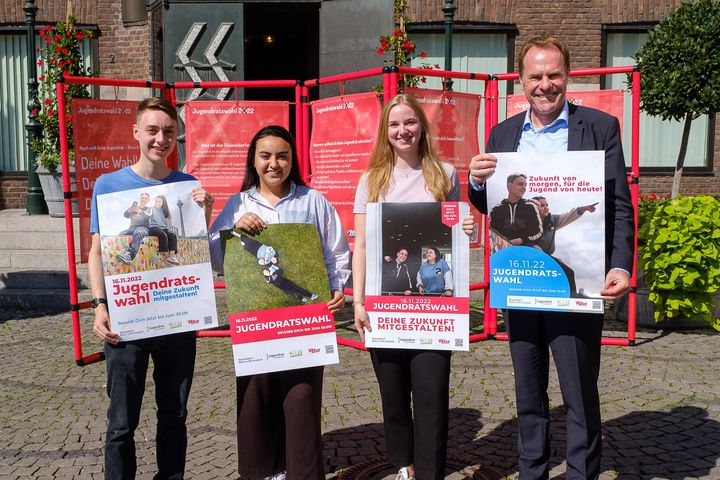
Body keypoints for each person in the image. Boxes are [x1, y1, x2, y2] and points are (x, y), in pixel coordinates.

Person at [468, 36, 634, 479]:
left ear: (567, 76)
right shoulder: (502, 134)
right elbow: (487, 207)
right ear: (520, 82)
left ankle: (581, 472)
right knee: (527, 387)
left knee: (579, 389)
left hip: (575, 281)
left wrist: (619, 265)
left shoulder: (599, 126)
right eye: (536, 76)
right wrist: (477, 182)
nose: (545, 85)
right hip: (521, 283)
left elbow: (618, 203)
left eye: (553, 75)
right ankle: (533, 471)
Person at [208, 125, 350, 480]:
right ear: (253, 161)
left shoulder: (312, 200)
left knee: (302, 398)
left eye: (282, 156)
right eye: (266, 156)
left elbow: (336, 250)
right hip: (255, 320)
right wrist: (232, 231)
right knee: (257, 397)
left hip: (304, 321)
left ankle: (303, 473)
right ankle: (263, 472)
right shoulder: (237, 204)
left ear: (292, 160)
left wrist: (338, 287)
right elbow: (213, 258)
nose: (274, 164)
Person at [89, 97, 214, 480]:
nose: (161, 139)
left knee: (174, 416)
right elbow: (95, 252)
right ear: (136, 133)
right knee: (121, 424)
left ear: (177, 137)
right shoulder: (109, 186)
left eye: (169, 132)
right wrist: (98, 305)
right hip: (127, 323)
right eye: (153, 130)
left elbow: (198, 246)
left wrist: (204, 212)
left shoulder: (186, 187)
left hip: (176, 323)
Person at [353, 93, 474, 480]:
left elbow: (453, 235)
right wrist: (357, 302)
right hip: (383, 307)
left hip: (434, 313)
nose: (402, 131)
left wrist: (466, 229)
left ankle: (429, 472)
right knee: (393, 396)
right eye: (394, 124)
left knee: (432, 395)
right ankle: (403, 463)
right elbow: (363, 247)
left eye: (409, 122)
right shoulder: (371, 180)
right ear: (384, 131)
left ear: (422, 126)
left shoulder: (445, 174)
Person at [530, 196, 599, 295]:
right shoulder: (527, 221)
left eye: (547, 205)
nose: (546, 208)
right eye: (542, 205)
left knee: (569, 273)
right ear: (534, 208)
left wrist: (582, 209)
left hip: (546, 257)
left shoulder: (553, 220)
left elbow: (568, 216)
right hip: (529, 259)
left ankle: (572, 301)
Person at [236, 232, 319, 304]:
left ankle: (310, 296)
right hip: (259, 246)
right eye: (275, 259)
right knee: (248, 241)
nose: (274, 260)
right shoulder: (273, 253)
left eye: (265, 271)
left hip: (257, 253)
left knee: (247, 247)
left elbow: (262, 263)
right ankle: (240, 236)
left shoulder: (269, 266)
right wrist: (269, 261)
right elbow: (269, 249)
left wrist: (270, 268)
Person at [489, 173, 543, 246]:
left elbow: (538, 233)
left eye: (525, 185)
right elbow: (490, 232)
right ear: (510, 186)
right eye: (520, 184)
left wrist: (522, 240)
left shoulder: (531, 207)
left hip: (527, 247)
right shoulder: (496, 210)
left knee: (539, 253)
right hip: (501, 248)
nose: (524, 187)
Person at [116, 192, 153, 264]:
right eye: (142, 198)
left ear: (148, 200)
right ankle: (122, 254)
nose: (143, 199)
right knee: (121, 233)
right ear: (140, 198)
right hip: (132, 228)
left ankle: (129, 256)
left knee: (139, 232)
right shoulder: (135, 207)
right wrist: (129, 210)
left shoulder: (148, 209)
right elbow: (126, 215)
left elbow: (148, 216)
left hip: (143, 228)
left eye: (145, 198)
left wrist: (140, 211)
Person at [149, 194, 180, 266]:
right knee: (163, 234)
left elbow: (168, 224)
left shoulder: (165, 211)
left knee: (173, 235)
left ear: (163, 203)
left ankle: (172, 257)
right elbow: (147, 214)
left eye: (159, 202)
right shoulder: (151, 209)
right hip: (153, 228)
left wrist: (175, 245)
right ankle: (167, 256)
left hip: (163, 228)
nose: (157, 203)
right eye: (156, 201)